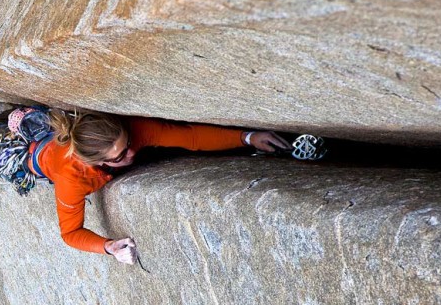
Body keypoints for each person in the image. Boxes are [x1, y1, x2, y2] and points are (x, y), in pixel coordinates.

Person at [27, 110, 291, 264]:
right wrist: (107, 246)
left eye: (128, 143)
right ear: (98, 162)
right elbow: (70, 232)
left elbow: (191, 137)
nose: (131, 153)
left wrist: (248, 137)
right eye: (120, 156)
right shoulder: (72, 179)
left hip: (73, 145)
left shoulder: (132, 131)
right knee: (35, 152)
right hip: (42, 158)